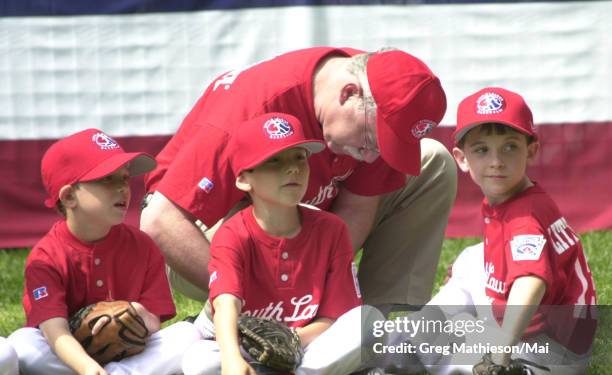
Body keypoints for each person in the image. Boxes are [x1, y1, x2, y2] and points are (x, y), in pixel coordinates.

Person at [140, 47, 457, 316]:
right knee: (268, 203)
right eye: (374, 139)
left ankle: (374, 325)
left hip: (303, 219)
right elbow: (160, 221)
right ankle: (243, 322)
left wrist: (323, 280)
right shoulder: (253, 107)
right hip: (198, 233)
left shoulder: (370, 92)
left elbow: (358, 206)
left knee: (434, 163)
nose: (373, 155)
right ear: (348, 94)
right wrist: (252, 294)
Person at [181, 113, 386, 375]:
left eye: (299, 158)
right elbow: (225, 304)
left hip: (309, 345)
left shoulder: (331, 229)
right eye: (274, 161)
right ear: (243, 179)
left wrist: (290, 342)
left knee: (369, 323)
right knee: (198, 360)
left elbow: (335, 317)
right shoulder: (233, 234)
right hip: (248, 350)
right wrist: (231, 358)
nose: (292, 169)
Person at [402, 87, 597, 375]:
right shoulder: (514, 200)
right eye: (482, 149)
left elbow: (531, 281)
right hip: (562, 338)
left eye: (509, 147)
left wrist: (500, 354)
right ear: (462, 158)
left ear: (531, 150)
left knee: (436, 340)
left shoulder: (525, 216)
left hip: (549, 352)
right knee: (466, 269)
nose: (496, 161)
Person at [7, 129, 202, 375]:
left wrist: (133, 312)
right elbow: (54, 330)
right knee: (23, 344)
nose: (123, 187)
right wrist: (87, 368)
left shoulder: (142, 245)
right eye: (107, 179)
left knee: (188, 335)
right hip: (69, 357)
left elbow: (154, 322)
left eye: (124, 177)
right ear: (69, 196)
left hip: (129, 355)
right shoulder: (46, 255)